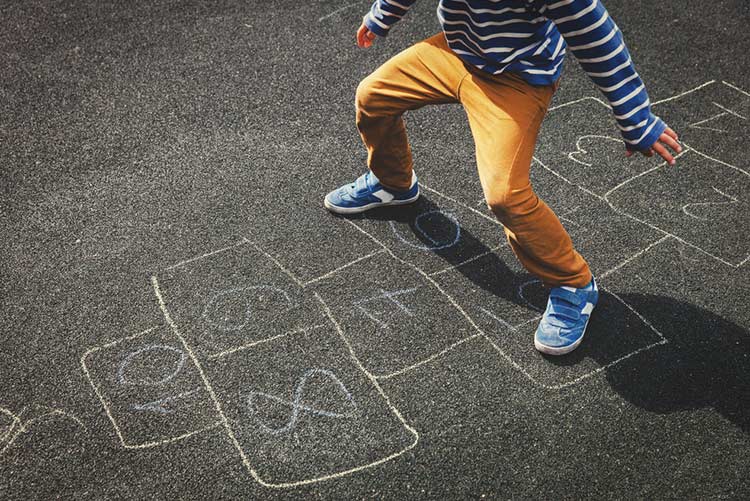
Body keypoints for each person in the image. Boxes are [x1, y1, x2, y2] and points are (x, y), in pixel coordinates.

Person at [323, 0, 681, 355]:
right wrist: (383, 15)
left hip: (517, 77)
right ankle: (393, 182)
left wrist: (636, 118)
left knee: (505, 194)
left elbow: (597, 39)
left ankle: (574, 284)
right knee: (372, 96)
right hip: (456, 53)